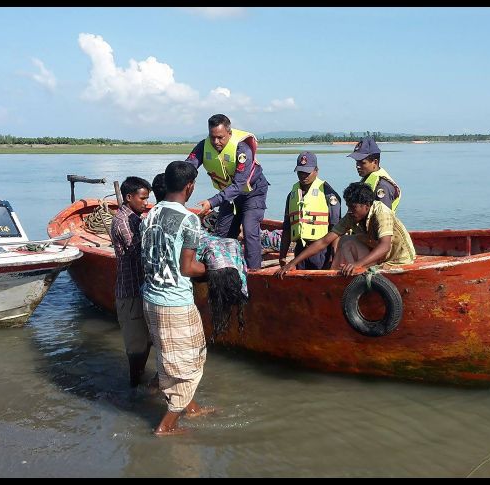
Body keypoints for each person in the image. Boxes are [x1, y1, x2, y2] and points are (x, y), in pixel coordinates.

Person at [141, 161, 213, 436]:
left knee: (168, 357)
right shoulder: (189, 220)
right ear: (189, 186)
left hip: (151, 298)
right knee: (191, 362)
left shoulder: (150, 213)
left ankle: (190, 408)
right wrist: (214, 270)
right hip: (175, 302)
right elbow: (188, 268)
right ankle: (166, 426)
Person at [275, 182, 415, 278]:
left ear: (367, 205)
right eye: (348, 207)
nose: (350, 211)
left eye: (353, 207)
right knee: (345, 240)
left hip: (397, 259)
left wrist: (357, 264)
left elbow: (385, 246)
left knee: (349, 242)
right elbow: (324, 241)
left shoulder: (381, 213)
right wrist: (293, 263)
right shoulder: (352, 215)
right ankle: (338, 277)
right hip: (377, 254)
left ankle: (353, 275)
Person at [185, 113, 269, 270]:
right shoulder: (204, 146)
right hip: (228, 195)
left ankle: (253, 274)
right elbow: (188, 167)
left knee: (250, 231)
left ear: (229, 133)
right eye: (213, 137)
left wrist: (211, 202)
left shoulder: (242, 149)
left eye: (220, 138)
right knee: (222, 234)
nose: (216, 142)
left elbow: (239, 184)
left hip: (252, 193)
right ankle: (224, 270)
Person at [110, 176, 152, 388]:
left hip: (139, 289)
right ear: (128, 197)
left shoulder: (135, 218)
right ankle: (134, 388)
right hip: (130, 292)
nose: (146, 203)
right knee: (137, 347)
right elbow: (138, 252)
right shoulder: (124, 221)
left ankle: (138, 383)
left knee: (145, 342)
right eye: (142, 198)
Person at [279, 151, 342, 270]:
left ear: (316, 171)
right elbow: (287, 227)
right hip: (300, 250)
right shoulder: (292, 195)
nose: (304, 176)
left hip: (322, 252)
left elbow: (336, 228)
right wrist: (282, 255)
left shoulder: (328, 194)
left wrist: (333, 257)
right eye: (300, 172)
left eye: (307, 172)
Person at [348, 135, 402, 212]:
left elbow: (383, 216)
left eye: (362, 163)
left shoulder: (382, 186)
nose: (357, 166)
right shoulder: (367, 178)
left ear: (375, 162)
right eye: (357, 162)